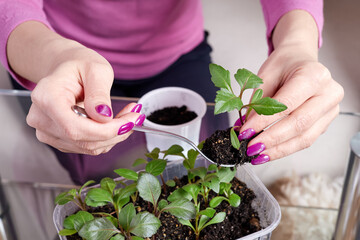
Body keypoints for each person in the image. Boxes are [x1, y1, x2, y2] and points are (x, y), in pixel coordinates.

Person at [0, 1, 343, 167]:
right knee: (105, 175)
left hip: (179, 53)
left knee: (210, 167)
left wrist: (297, 42)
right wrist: (53, 58)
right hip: (56, 61)